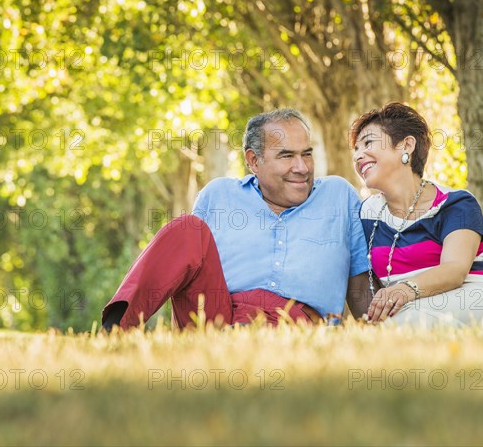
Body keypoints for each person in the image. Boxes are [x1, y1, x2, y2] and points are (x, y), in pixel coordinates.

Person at [102, 108, 370, 330]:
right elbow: (189, 270)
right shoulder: (219, 195)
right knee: (187, 228)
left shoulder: (339, 195)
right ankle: (115, 329)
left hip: (296, 325)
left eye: (306, 154)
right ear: (254, 161)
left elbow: (361, 289)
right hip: (216, 318)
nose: (301, 168)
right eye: (287, 156)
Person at [350, 102, 483, 327]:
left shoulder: (456, 203)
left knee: (400, 326)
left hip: (474, 293)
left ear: (406, 145)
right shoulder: (367, 214)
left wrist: (405, 289)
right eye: (356, 150)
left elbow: (455, 270)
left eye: (368, 142)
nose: (359, 156)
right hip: (409, 306)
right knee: (397, 326)